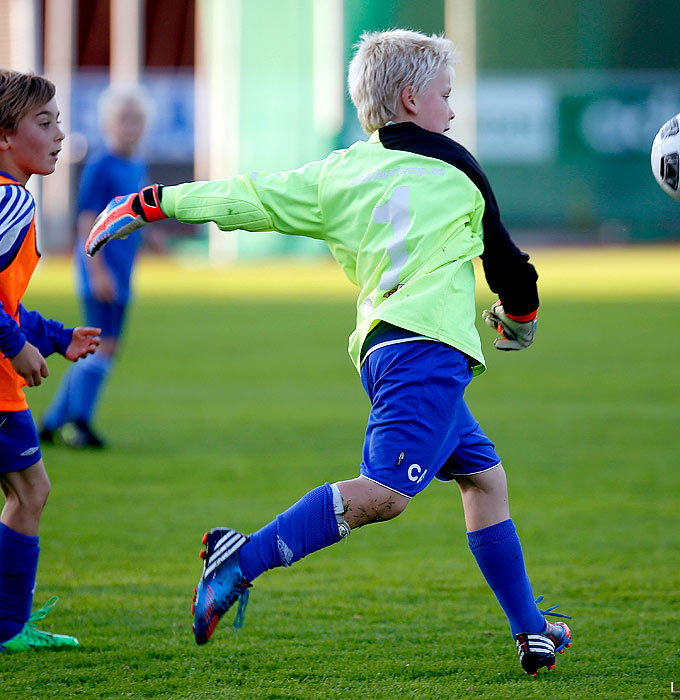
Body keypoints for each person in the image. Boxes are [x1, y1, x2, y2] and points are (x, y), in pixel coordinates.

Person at [85, 29, 572, 676]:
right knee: (385, 496)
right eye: (445, 96)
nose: (452, 111)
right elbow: (509, 263)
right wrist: (523, 317)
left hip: (385, 349)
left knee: (485, 481)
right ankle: (242, 557)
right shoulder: (458, 167)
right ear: (410, 98)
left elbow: (246, 198)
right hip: (426, 350)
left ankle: (532, 631)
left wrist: (153, 202)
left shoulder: (336, 172)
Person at [0, 69, 101, 652]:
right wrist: (15, 347)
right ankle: (9, 627)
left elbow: (5, 299)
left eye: (58, 119)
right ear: (4, 138)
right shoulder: (12, 201)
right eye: (43, 123)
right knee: (28, 492)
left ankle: (8, 624)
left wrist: (57, 336)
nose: (59, 133)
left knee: (27, 491)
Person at [40, 85, 150, 448]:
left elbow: (130, 216)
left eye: (136, 119)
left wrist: (151, 238)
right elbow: (87, 219)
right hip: (100, 272)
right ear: (108, 125)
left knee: (108, 347)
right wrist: (98, 271)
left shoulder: (136, 164)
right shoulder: (101, 164)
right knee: (101, 346)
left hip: (122, 272)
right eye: (123, 119)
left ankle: (54, 421)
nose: (130, 126)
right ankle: (80, 423)